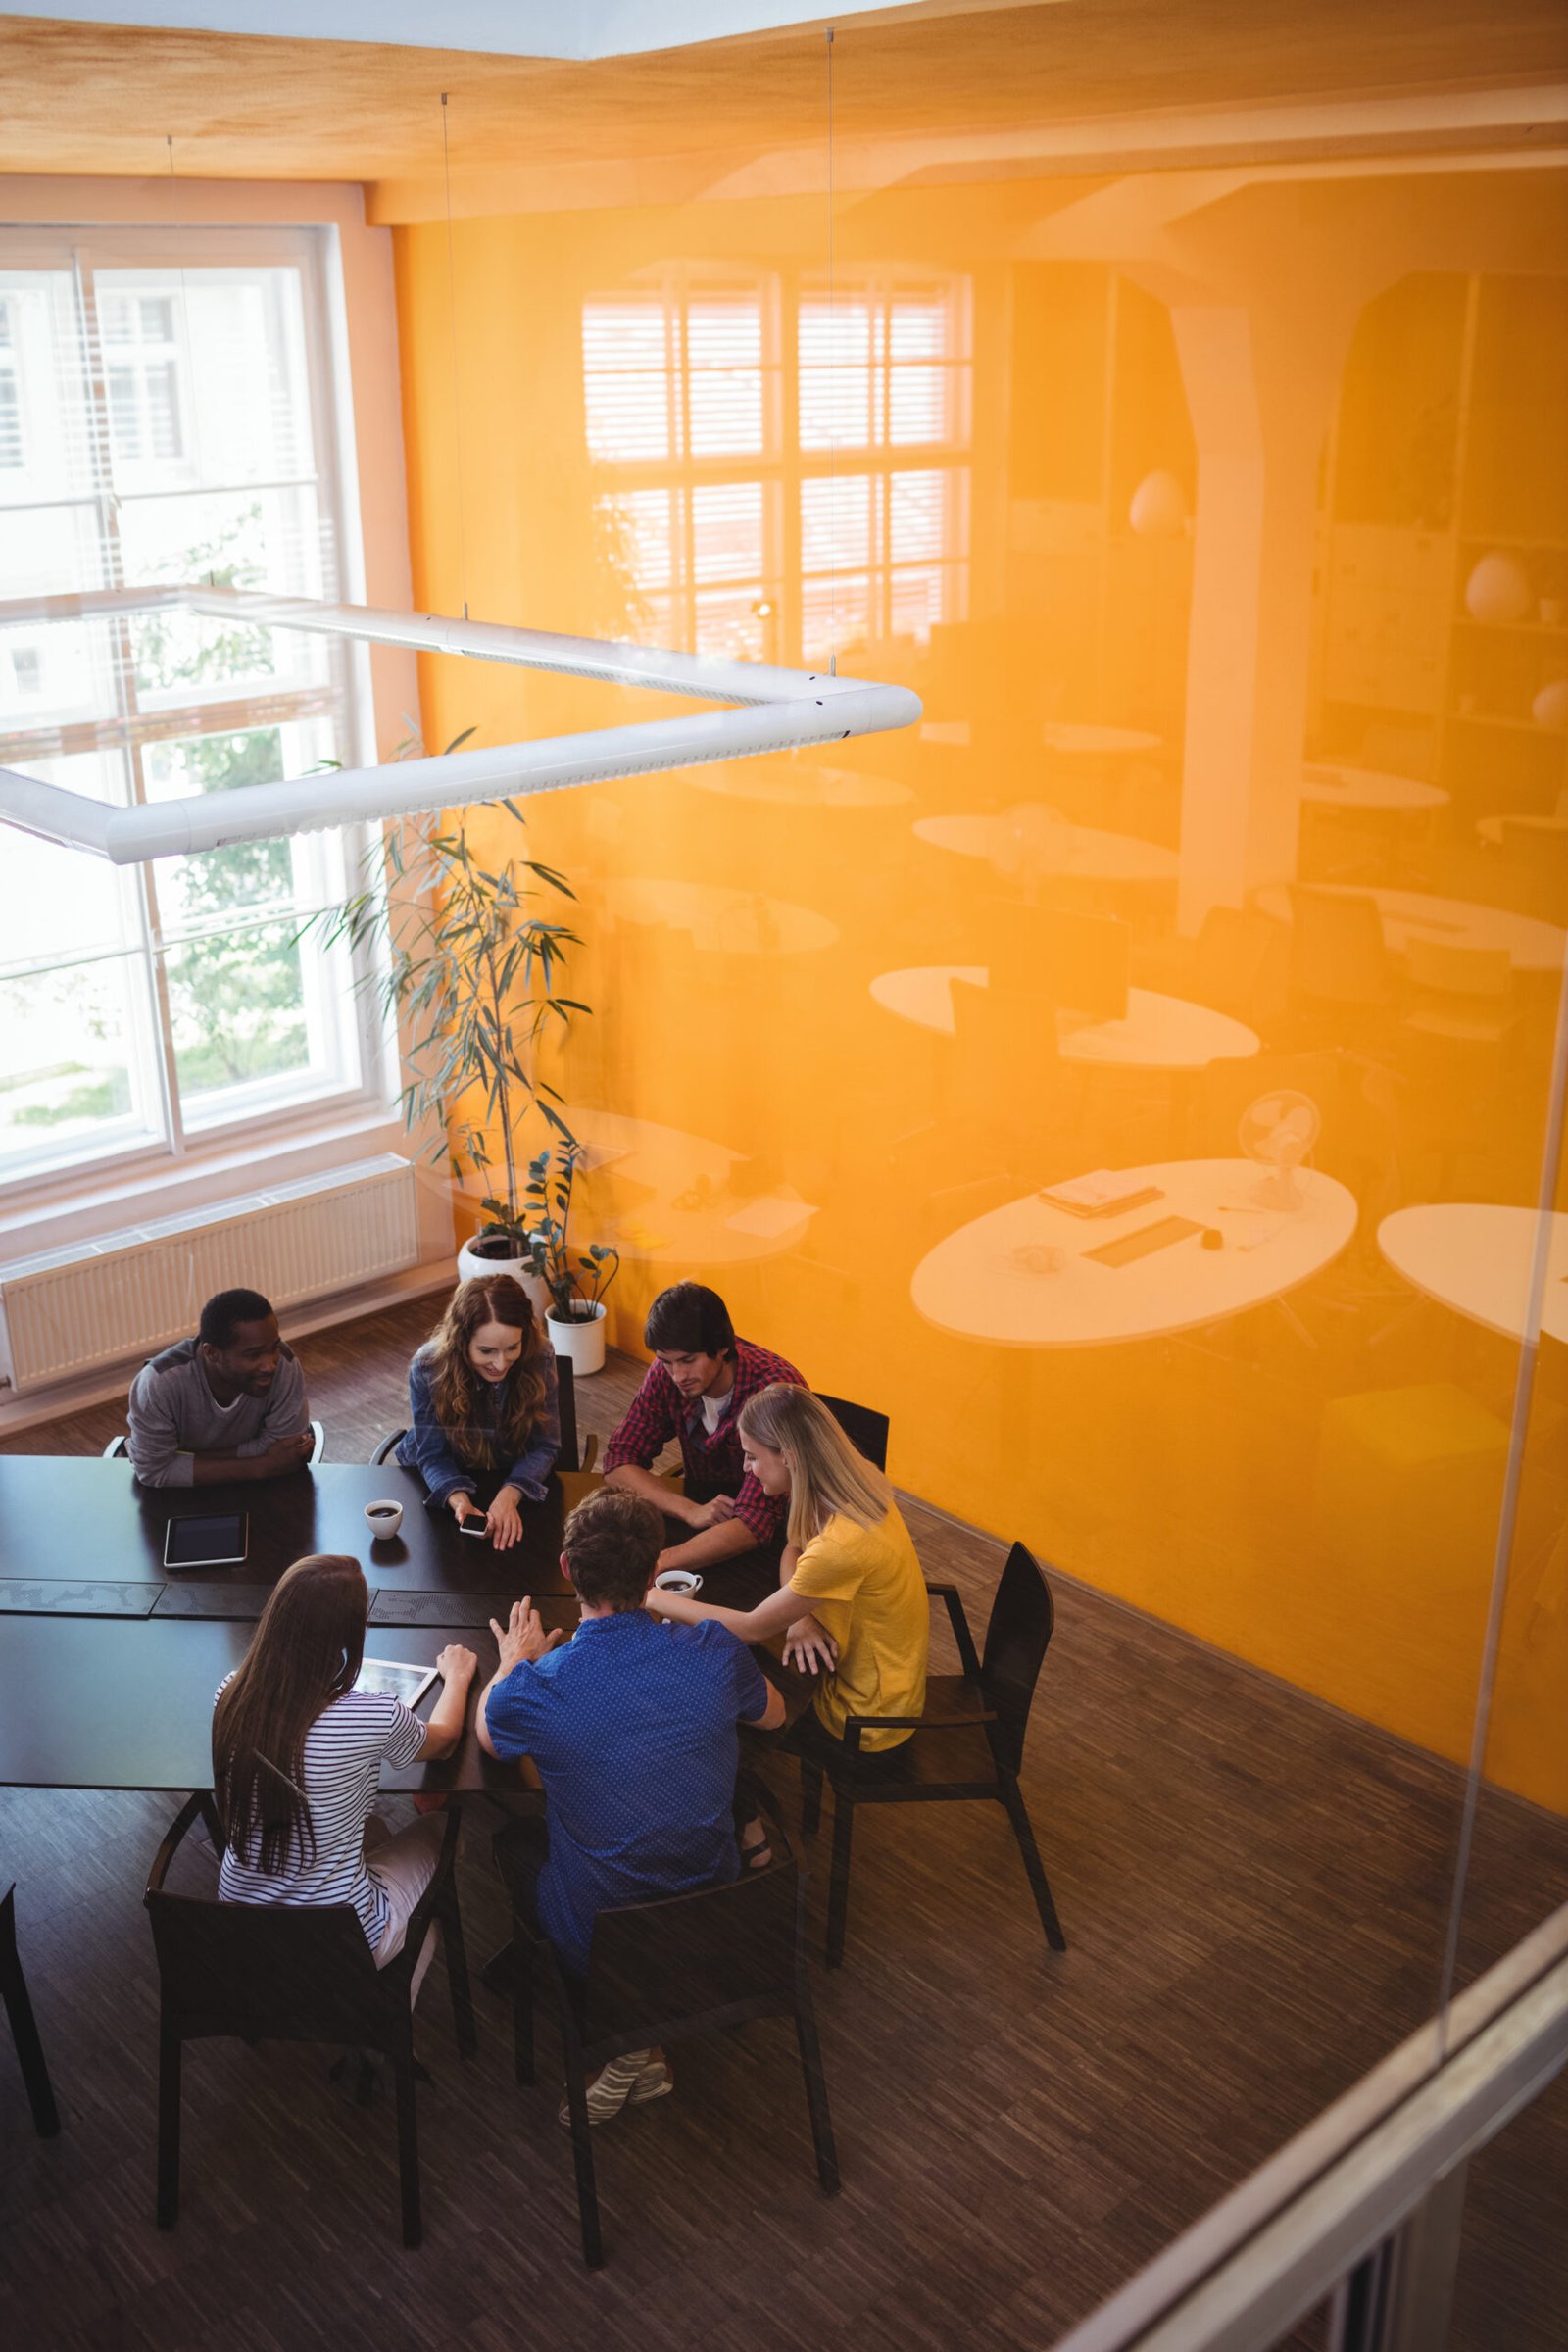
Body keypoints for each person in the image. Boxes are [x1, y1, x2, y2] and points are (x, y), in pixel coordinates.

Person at [476, 1485, 785, 2124]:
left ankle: (622, 2031)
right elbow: (773, 1714)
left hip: (600, 1932)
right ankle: (643, 2036)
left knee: (510, 1842)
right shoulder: (716, 1653)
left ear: (567, 1571)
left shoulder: (535, 1690)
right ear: (654, 1574)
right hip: (715, 1898)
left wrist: (513, 1660)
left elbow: (488, 1733)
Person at [212, 1553, 476, 2000]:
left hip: (243, 1923)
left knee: (372, 1829)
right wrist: (458, 1677)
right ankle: (378, 2014)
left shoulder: (231, 1693)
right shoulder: (370, 1715)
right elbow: (446, 1739)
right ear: (349, 1636)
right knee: (442, 1830)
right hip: (341, 1940)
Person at [648, 1382, 929, 1781]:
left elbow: (750, 1627)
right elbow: (793, 1549)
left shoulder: (842, 1543)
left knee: (713, 1719)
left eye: (752, 1457)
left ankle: (744, 1819)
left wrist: (650, 1596)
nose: (746, 1469)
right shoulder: (849, 1481)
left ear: (790, 1457)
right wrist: (799, 1617)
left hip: (867, 1715)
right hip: (874, 1670)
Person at [601, 1281, 806, 1577]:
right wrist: (687, 1509)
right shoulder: (667, 1372)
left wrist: (658, 1564)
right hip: (702, 1520)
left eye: (688, 1361)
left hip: (782, 1542)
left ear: (722, 1347)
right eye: (666, 1362)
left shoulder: (773, 1390)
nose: (677, 1375)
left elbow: (756, 1522)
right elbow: (618, 1460)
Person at [397, 1276, 561, 1552]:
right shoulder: (427, 1367)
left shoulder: (540, 1354)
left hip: (516, 1477)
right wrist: (459, 1502)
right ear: (462, 1341)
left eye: (512, 1348)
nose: (500, 1364)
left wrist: (510, 1495)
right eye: (486, 1351)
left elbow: (545, 1445)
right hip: (449, 1478)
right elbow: (432, 1454)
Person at [126, 1286, 312, 1489]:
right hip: (175, 1498)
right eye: (253, 1355)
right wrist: (263, 1466)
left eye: (273, 1347)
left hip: (261, 1491)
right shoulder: (159, 1383)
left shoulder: (286, 1364)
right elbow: (154, 1472)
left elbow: (287, 1450)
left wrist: (184, 1460)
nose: (270, 1365)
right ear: (212, 1353)